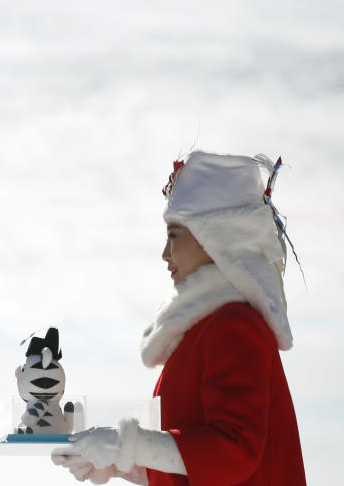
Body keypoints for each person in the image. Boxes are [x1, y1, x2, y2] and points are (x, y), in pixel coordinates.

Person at [52, 151, 306, 485]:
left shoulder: (233, 327)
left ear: (216, 238)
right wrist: (121, 462)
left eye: (174, 235)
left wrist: (129, 447)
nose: (165, 254)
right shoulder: (210, 329)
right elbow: (202, 460)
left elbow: (235, 452)